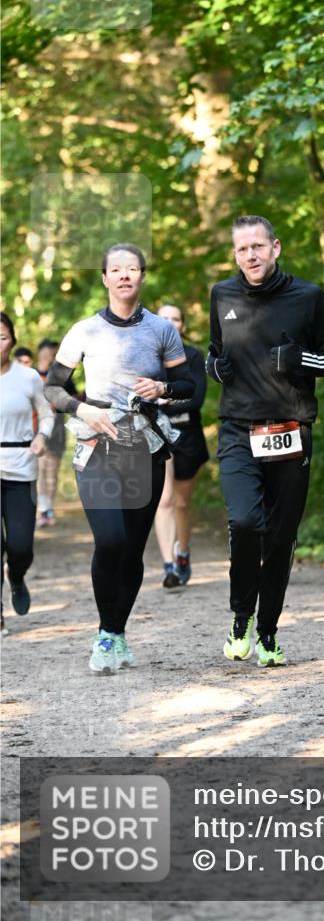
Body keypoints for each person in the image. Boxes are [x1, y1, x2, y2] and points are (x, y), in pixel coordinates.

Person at [44, 244, 194, 675]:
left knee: (131, 550)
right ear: (106, 279)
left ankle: (114, 632)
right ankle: (107, 634)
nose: (124, 275)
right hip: (96, 448)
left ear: (142, 276)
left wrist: (162, 389)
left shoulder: (162, 329)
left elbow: (187, 384)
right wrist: (82, 408)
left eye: (132, 269)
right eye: (116, 269)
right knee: (108, 541)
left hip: (143, 448)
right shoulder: (84, 331)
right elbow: (54, 389)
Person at [207, 215, 324, 668]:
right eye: (243, 249)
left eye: (258, 247)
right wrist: (216, 369)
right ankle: (241, 616)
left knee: (281, 538)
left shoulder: (307, 297)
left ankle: (267, 632)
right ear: (235, 255)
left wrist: (298, 359)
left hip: (290, 431)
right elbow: (214, 353)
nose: (251, 255)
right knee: (246, 522)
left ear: (275, 248)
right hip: (238, 430)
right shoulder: (222, 295)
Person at [1, 312, 54, 633]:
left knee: (20, 547)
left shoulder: (29, 377)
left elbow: (47, 415)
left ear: (12, 340)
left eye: (2, 337)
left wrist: (41, 436)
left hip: (21, 468)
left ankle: (17, 577)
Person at [154, 303, 209, 588]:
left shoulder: (193, 356)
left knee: (182, 503)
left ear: (182, 326)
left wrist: (164, 400)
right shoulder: (147, 353)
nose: (170, 323)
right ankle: (169, 566)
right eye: (164, 318)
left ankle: (183, 553)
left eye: (176, 318)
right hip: (156, 434)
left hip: (187, 434)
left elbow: (196, 399)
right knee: (163, 500)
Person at [35, 338, 78, 528]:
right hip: (34, 428)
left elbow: (73, 398)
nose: (53, 354)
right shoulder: (30, 374)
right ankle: (41, 507)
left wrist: (59, 402)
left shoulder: (61, 375)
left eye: (55, 351)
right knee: (39, 469)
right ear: (41, 351)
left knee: (52, 469)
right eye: (51, 351)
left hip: (58, 427)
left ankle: (47, 508)